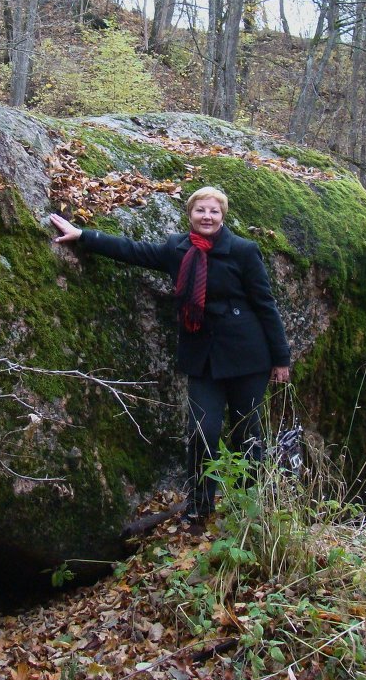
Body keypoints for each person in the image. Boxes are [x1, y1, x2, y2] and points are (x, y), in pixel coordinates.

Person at [49, 187, 291, 525]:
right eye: (200, 211)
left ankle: (251, 508)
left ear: (223, 216)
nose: (207, 217)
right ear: (190, 214)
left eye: (214, 212)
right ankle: (199, 507)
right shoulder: (178, 250)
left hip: (247, 358)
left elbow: (266, 306)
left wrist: (281, 359)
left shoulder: (243, 251)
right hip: (202, 359)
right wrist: (84, 236)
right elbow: (133, 251)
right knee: (202, 432)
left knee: (247, 434)